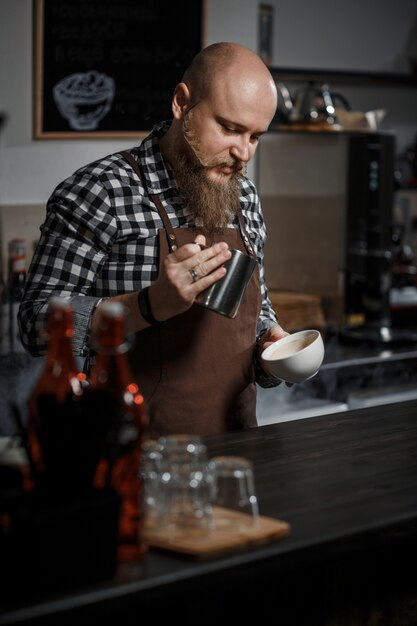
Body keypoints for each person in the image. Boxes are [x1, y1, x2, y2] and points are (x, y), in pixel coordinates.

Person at [19, 42, 289, 438]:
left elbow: (257, 310)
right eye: (230, 128)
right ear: (182, 103)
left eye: (255, 136)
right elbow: (35, 324)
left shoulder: (244, 197)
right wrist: (147, 305)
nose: (242, 152)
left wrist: (272, 343)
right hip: (127, 455)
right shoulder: (100, 191)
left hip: (236, 444)